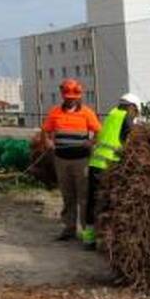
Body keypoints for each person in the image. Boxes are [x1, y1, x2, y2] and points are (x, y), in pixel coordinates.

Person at [80, 93, 141, 250]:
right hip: (110, 166)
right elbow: (131, 144)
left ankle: (89, 239)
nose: (135, 116)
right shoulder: (126, 117)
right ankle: (111, 240)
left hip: (96, 163)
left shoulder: (111, 115)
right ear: (132, 107)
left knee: (93, 201)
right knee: (110, 202)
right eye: (136, 112)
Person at [42, 78, 100, 241]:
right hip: (61, 160)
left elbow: (98, 131)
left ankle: (85, 230)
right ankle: (69, 228)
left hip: (81, 160)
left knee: (83, 196)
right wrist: (48, 141)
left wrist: (92, 141)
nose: (70, 100)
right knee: (68, 196)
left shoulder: (87, 113)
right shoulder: (55, 112)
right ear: (63, 96)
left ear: (78, 97)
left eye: (73, 97)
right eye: (67, 97)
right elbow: (46, 131)